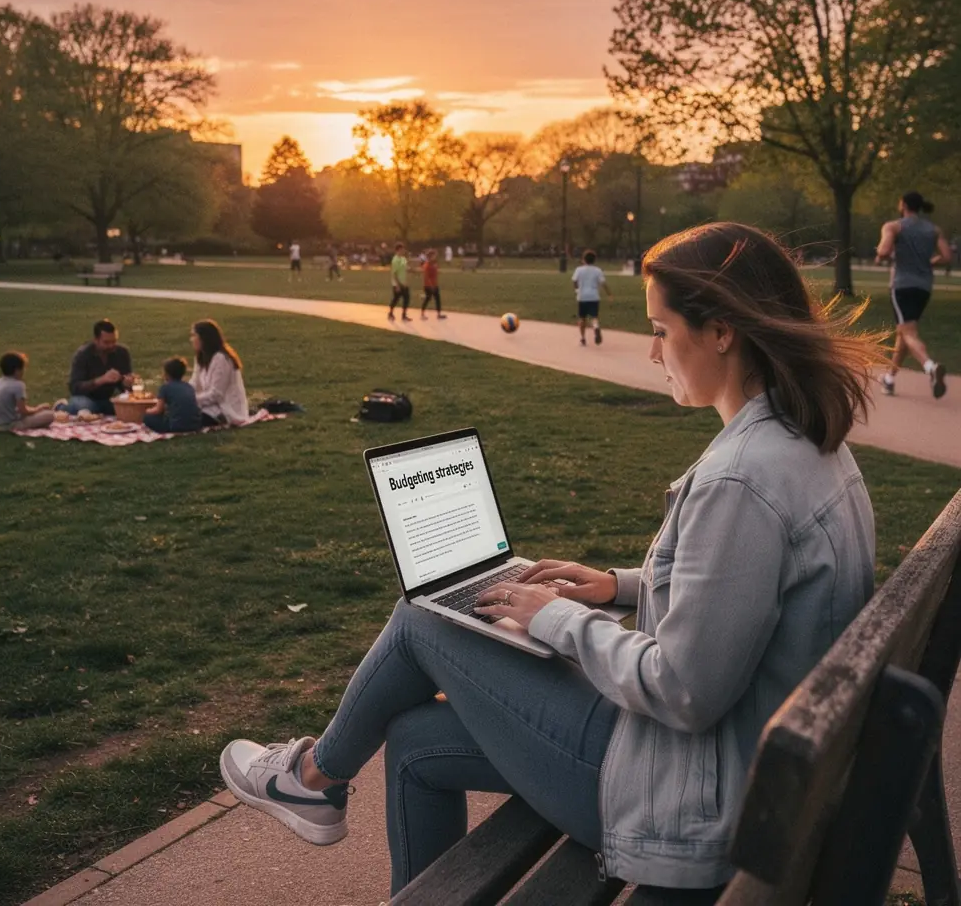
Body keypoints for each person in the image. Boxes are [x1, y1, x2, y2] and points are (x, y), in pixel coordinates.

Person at [220, 223, 880, 902]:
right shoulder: (806, 447)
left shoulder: (741, 480)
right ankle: (315, 784)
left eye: (659, 328)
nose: (655, 353)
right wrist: (614, 586)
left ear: (721, 331)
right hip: (727, 771)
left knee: (421, 620)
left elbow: (684, 691)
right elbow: (742, 599)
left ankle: (312, 780)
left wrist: (557, 619)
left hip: (686, 801)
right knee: (416, 740)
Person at [875, 191, 951, 398]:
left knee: (908, 333)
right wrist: (930, 262)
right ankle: (889, 379)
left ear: (903, 205)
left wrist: (881, 254)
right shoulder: (933, 230)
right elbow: (947, 256)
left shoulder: (893, 226)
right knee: (905, 332)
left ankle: (930, 367)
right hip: (924, 288)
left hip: (902, 286)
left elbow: (883, 250)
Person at [65, 319, 133, 415]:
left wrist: (127, 383)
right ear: (96, 340)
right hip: (85, 398)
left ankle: (99, 412)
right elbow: (75, 388)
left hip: (109, 399)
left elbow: (126, 390)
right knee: (84, 407)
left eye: (114, 341)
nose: (111, 345)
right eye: (106, 342)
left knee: (129, 408)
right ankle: (62, 407)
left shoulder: (122, 353)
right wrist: (101, 380)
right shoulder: (83, 355)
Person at [190, 319, 249, 426]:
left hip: (225, 410)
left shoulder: (222, 359)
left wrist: (191, 400)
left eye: (194, 336)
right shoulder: (200, 358)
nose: (192, 339)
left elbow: (216, 394)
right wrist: (179, 394)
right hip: (207, 406)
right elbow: (194, 383)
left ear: (204, 338)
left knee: (185, 420)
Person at [0, 352, 54, 431]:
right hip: (9, 426)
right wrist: (38, 409)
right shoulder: (18, 385)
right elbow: (23, 411)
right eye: (23, 368)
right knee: (50, 415)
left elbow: (18, 409)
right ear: (17, 371)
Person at [143, 357, 201, 434]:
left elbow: (158, 410)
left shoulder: (165, 387)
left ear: (167, 374)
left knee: (147, 418)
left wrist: (148, 411)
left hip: (176, 426)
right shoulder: (189, 386)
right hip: (195, 425)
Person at [572, 249, 612, 346]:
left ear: (584, 259)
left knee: (582, 318)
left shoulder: (579, 270)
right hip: (594, 296)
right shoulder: (597, 270)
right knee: (594, 316)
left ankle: (582, 338)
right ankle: (596, 326)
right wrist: (609, 294)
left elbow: (574, 281)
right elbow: (603, 283)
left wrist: (577, 289)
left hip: (582, 297)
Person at [388, 242, 412, 322]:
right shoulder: (395, 260)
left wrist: (414, 271)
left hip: (404, 283)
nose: (403, 251)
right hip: (397, 284)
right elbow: (394, 273)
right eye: (402, 249)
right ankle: (390, 313)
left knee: (407, 299)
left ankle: (404, 315)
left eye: (403, 249)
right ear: (397, 250)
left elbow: (406, 268)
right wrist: (397, 285)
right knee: (396, 299)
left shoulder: (403, 259)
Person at [420, 249, 446, 320]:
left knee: (437, 299)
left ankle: (439, 314)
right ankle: (422, 314)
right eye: (434, 255)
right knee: (428, 299)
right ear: (430, 256)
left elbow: (435, 271)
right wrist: (431, 286)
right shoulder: (427, 265)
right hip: (429, 286)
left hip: (435, 285)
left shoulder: (434, 264)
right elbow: (426, 277)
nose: (435, 257)